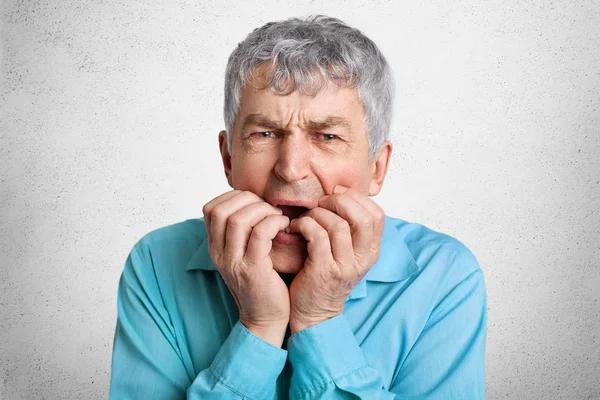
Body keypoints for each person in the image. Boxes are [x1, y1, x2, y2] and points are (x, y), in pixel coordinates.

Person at [109, 15, 487, 399]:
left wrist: (318, 319)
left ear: (377, 168)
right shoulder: (156, 262)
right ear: (227, 158)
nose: (290, 168)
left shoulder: (444, 276)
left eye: (327, 136)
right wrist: (260, 325)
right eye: (265, 133)